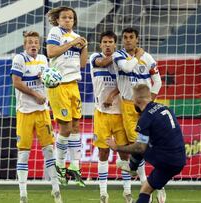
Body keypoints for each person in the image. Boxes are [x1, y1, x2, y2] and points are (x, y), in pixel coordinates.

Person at [107, 84, 186, 203]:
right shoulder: (164, 108)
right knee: (146, 189)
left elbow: (140, 148)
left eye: (133, 99)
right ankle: (132, 167)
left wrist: (116, 147)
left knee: (139, 146)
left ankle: (132, 167)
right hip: (179, 159)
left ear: (137, 101)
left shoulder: (146, 118)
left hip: (166, 159)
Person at [11, 31, 62, 203]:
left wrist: (49, 79)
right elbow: (16, 82)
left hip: (42, 112)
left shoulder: (43, 59)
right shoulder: (19, 58)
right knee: (24, 153)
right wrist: (35, 95)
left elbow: (46, 80)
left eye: (35, 42)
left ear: (39, 45)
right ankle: (23, 193)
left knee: (49, 150)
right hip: (25, 112)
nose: (33, 44)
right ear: (25, 45)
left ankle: (56, 189)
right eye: (29, 42)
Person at [112, 27, 162, 187]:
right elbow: (127, 68)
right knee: (137, 144)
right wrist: (137, 55)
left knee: (146, 144)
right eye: (125, 37)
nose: (128, 40)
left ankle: (153, 181)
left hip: (146, 106)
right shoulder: (118, 55)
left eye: (131, 37)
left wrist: (150, 102)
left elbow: (158, 81)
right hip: (127, 105)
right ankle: (146, 181)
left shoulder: (148, 58)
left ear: (137, 39)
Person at [46, 6, 88, 187]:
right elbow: (51, 52)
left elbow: (82, 65)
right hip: (59, 85)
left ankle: (75, 166)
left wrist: (84, 47)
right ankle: (60, 164)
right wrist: (72, 43)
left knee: (76, 126)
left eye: (71, 18)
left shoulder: (76, 37)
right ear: (57, 20)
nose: (68, 20)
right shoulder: (56, 32)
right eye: (64, 17)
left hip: (73, 84)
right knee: (65, 128)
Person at [90, 31, 133, 203]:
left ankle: (127, 191)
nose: (107, 45)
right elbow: (103, 62)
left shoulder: (121, 62)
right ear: (100, 45)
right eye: (104, 42)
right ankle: (103, 192)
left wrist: (112, 95)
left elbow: (125, 82)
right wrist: (118, 55)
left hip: (120, 113)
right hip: (101, 114)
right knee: (103, 152)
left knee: (124, 154)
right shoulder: (95, 57)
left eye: (110, 42)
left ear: (115, 44)